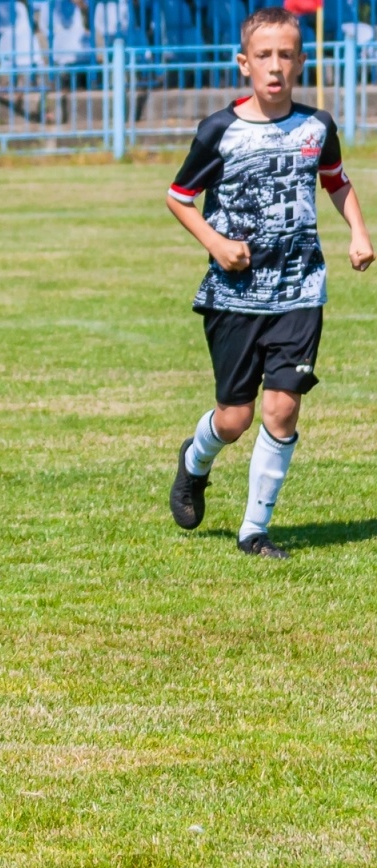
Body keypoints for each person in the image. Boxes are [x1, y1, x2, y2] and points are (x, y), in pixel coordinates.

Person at [166, 6, 372, 558]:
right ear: (244, 64)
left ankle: (253, 532)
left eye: (286, 55)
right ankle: (194, 461)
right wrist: (217, 243)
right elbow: (178, 197)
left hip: (301, 290)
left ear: (301, 61)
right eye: (264, 56)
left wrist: (357, 231)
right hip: (235, 296)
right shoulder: (220, 131)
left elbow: (336, 180)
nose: (275, 66)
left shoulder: (316, 126)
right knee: (235, 419)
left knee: (282, 409)